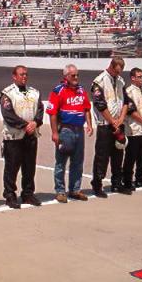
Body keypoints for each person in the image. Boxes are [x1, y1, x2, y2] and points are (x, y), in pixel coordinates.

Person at [46, 64, 93, 203]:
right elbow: (52, 113)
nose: (76, 78)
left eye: (77, 75)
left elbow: (86, 109)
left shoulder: (81, 90)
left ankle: (75, 190)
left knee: (78, 162)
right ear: (66, 76)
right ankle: (60, 191)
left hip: (79, 130)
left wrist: (89, 125)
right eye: (73, 75)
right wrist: (55, 133)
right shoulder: (58, 91)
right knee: (61, 162)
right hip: (65, 131)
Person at [0, 65, 44, 209]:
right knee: (11, 168)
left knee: (29, 168)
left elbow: (40, 110)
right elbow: (8, 115)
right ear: (14, 76)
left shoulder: (35, 93)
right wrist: (25, 125)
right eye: (21, 74)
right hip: (14, 137)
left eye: (26, 74)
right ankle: (10, 195)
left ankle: (28, 194)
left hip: (31, 136)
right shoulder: (7, 93)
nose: (24, 77)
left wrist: (35, 122)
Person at [91, 57, 131, 196]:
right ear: (111, 66)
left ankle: (116, 183)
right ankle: (97, 184)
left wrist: (120, 119)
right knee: (102, 156)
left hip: (119, 124)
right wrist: (112, 121)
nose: (118, 74)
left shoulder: (120, 81)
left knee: (118, 154)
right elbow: (99, 104)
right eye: (116, 71)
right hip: (105, 125)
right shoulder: (99, 81)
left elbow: (127, 101)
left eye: (120, 72)